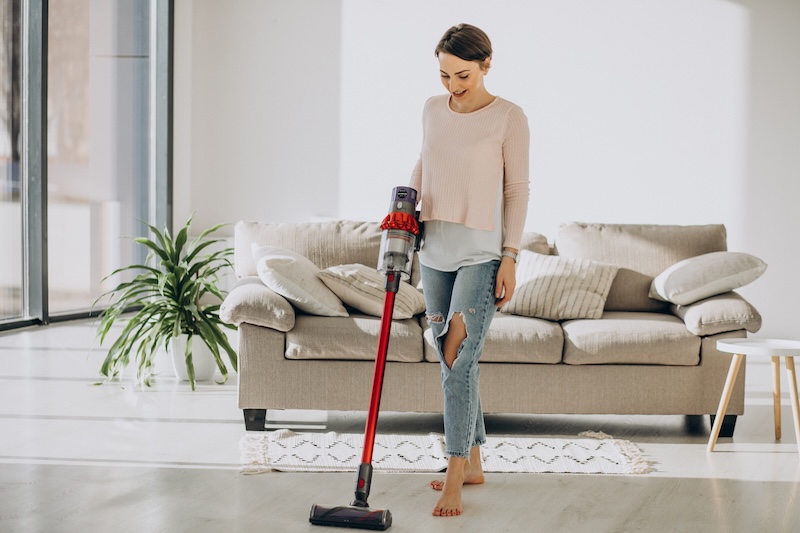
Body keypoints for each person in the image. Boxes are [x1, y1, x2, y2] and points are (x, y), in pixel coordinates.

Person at [409, 23, 530, 517]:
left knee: (458, 356)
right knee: (450, 359)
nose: (452, 86)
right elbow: (425, 162)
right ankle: (475, 460)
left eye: (462, 75)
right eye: (443, 75)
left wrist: (511, 255)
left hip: (481, 253)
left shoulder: (508, 116)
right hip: (434, 247)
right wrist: (404, 205)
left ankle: (455, 471)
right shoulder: (433, 109)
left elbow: (516, 189)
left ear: (485, 65)